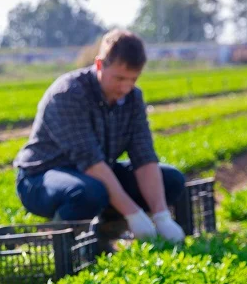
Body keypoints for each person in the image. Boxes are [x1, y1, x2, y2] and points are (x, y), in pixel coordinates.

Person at [14, 29, 186, 242]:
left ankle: (107, 229)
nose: (125, 87)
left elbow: (144, 156)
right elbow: (90, 161)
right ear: (99, 65)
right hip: (42, 177)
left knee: (171, 179)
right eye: (119, 78)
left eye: (133, 79)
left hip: (95, 171)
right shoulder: (69, 94)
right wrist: (133, 213)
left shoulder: (132, 98)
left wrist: (161, 216)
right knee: (88, 193)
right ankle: (62, 241)